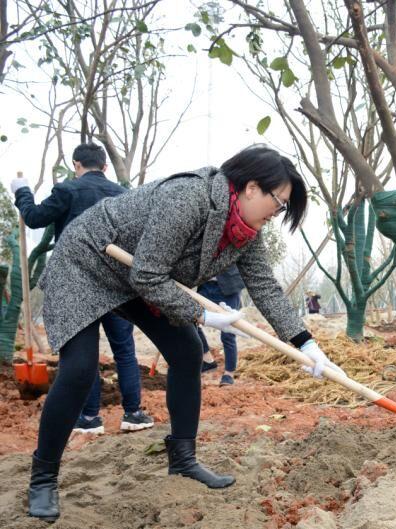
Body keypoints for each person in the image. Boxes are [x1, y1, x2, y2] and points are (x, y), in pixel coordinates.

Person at [18, 145, 346, 521]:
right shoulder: (189, 197)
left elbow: (266, 288)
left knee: (188, 353)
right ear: (252, 188)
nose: (278, 212)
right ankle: (43, 478)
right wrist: (203, 316)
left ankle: (184, 459)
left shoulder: (246, 232)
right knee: (80, 368)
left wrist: (307, 344)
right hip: (88, 263)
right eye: (280, 201)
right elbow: (147, 274)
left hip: (137, 278)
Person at [11, 143, 153, 435]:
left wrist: (22, 191)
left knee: (83, 355)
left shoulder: (67, 191)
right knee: (124, 351)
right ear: (104, 167)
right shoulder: (122, 194)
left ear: (76, 165)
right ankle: (134, 413)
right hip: (117, 284)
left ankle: (89, 418)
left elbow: (35, 217)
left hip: (78, 287)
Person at [196, 264, 246, 386]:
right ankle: (207, 360)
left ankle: (229, 374)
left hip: (229, 286)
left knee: (228, 333)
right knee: (189, 320)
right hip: (205, 286)